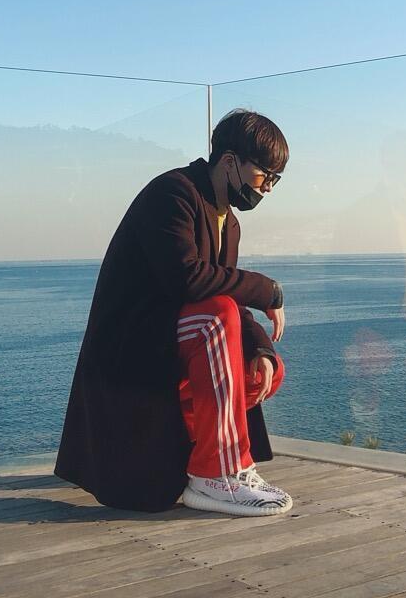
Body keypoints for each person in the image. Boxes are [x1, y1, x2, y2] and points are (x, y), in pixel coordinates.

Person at [54, 107, 292, 517]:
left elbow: (224, 291)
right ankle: (217, 474)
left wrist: (260, 347)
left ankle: (201, 457)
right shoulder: (172, 194)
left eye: (275, 179)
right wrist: (266, 290)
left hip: (171, 338)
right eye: (263, 175)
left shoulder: (228, 223)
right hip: (133, 342)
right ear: (229, 161)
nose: (268, 188)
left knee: (262, 369)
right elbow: (189, 280)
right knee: (216, 319)